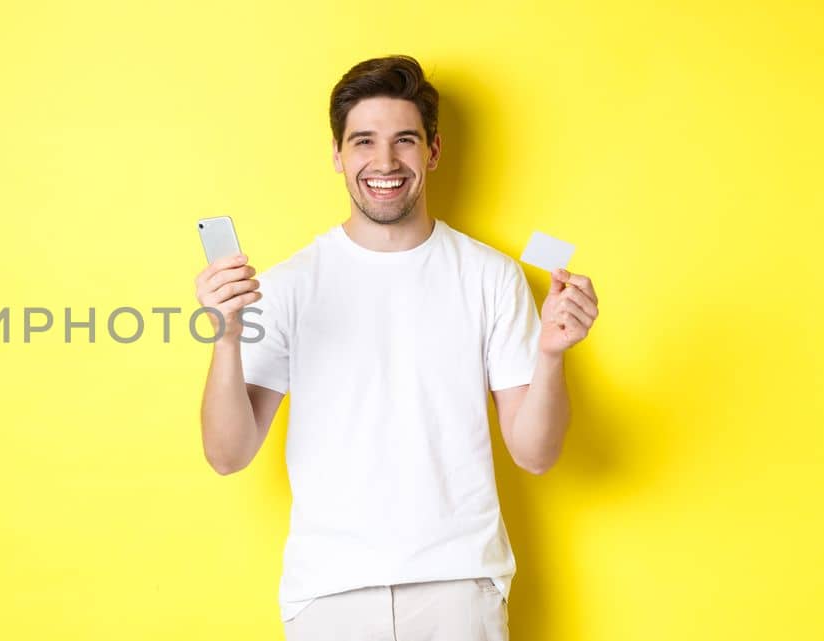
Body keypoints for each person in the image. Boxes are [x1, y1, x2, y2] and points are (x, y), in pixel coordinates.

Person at [194, 55, 600, 640]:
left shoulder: (492, 276)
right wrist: (227, 335)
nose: (384, 162)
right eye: (363, 142)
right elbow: (227, 454)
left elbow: (535, 454)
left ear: (431, 151)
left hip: (459, 587)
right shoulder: (285, 286)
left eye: (404, 140)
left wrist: (553, 354)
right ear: (337, 155)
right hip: (329, 593)